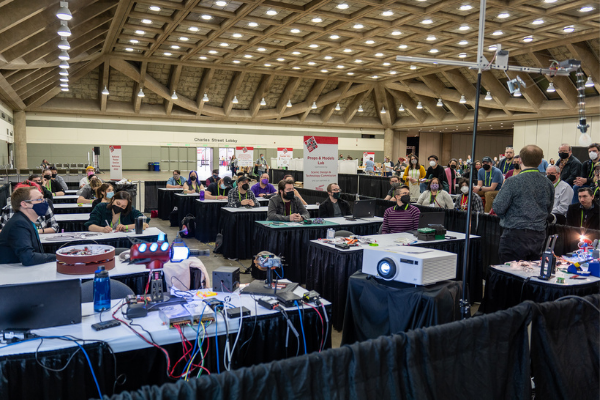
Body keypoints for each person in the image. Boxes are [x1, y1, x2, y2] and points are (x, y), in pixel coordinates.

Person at [492, 145, 554, 263]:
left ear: (520, 160)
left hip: (515, 234)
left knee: (510, 274)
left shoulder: (513, 181)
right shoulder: (548, 183)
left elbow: (498, 207)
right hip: (538, 235)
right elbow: (548, 209)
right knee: (531, 273)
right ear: (541, 161)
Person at [0, 187, 56, 265]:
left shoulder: (25, 221)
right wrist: (58, 257)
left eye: (43, 199)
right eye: (39, 199)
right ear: (25, 204)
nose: (44, 202)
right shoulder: (19, 224)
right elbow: (28, 258)